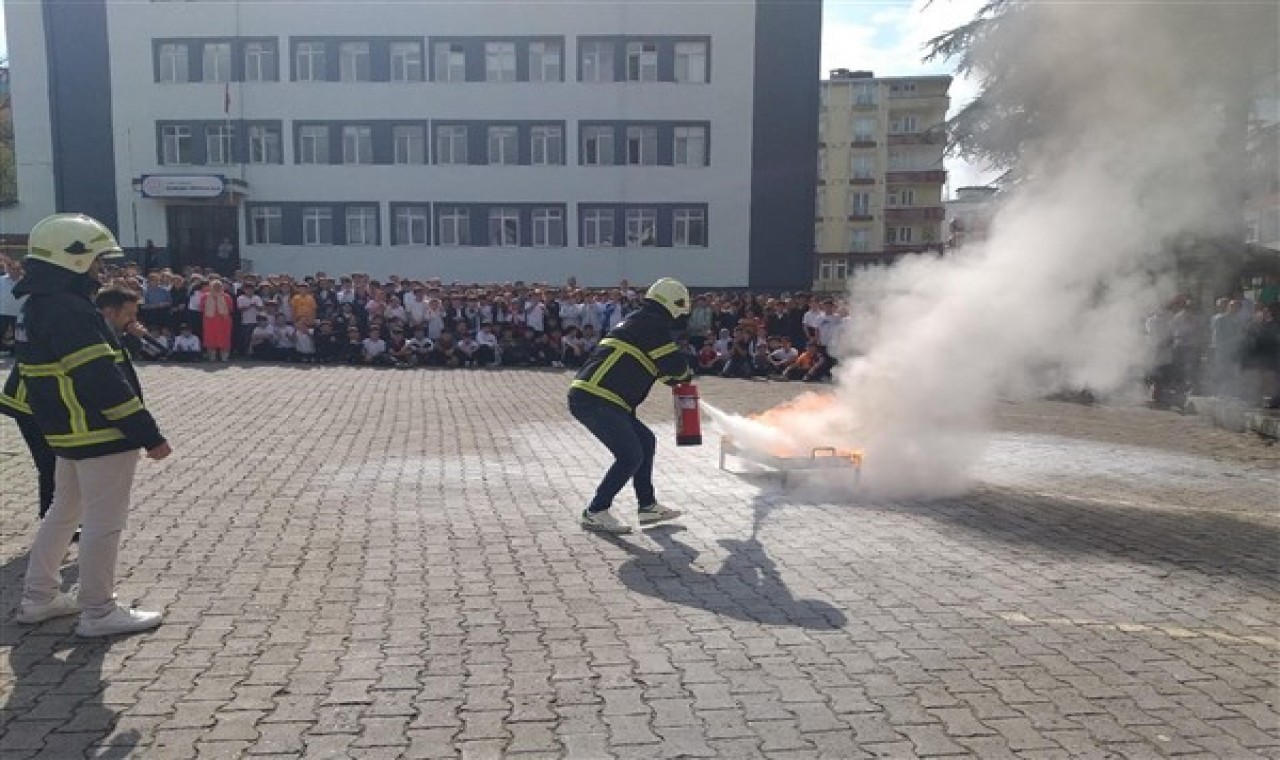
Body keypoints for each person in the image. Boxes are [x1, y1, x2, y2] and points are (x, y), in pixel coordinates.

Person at [9, 214, 171, 637]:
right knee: (104, 521)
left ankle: (38, 598)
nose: (101, 269)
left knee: (63, 512)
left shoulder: (36, 305)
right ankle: (98, 611)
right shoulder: (72, 311)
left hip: (65, 431)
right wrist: (147, 434)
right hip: (100, 432)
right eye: (97, 260)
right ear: (74, 258)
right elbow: (100, 379)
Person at [568, 278, 692, 534]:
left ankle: (647, 506)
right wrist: (686, 371)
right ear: (674, 304)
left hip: (604, 398)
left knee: (646, 441)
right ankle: (595, 511)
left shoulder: (641, 320)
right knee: (630, 455)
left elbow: (666, 374)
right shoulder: (653, 326)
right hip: (597, 398)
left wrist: (678, 376)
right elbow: (677, 371)